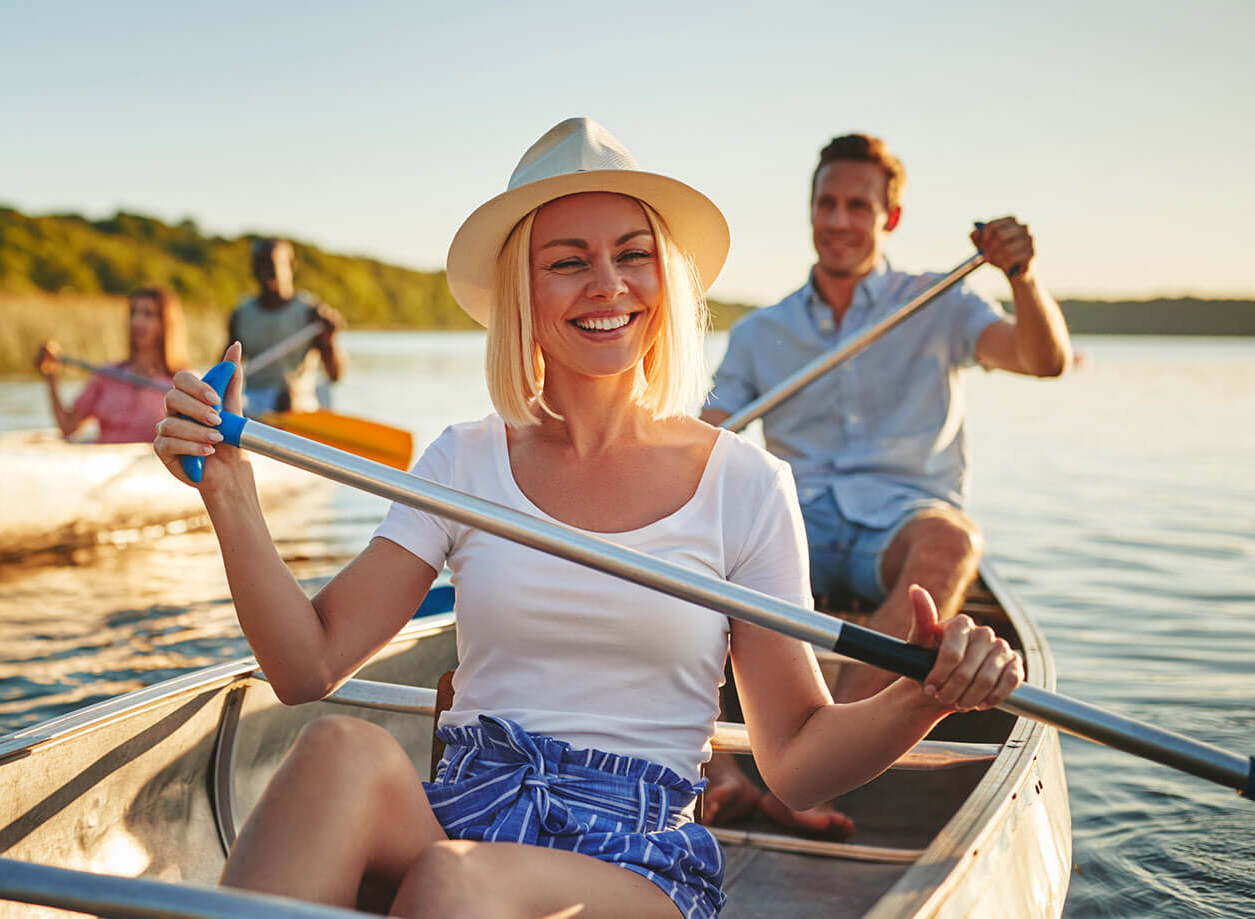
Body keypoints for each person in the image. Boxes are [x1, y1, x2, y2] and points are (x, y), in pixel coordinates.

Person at [154, 118, 1024, 919]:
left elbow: (794, 757)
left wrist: (922, 700)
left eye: (631, 254)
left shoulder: (747, 483)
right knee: (339, 748)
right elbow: (307, 665)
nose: (606, 285)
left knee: (457, 881)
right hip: (469, 806)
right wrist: (229, 491)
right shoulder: (464, 460)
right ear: (523, 290)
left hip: (634, 858)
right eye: (568, 260)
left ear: (665, 276)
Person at [697, 134, 1070, 834]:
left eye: (858, 206)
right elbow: (707, 438)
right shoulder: (761, 331)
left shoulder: (939, 303)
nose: (839, 220)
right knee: (698, 533)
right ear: (811, 211)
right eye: (827, 203)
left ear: (888, 218)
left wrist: (1021, 276)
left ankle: (815, 759)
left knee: (954, 540)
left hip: (899, 524)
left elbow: (1041, 359)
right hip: (796, 520)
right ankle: (719, 771)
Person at [35, 286, 188, 443]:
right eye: (133, 313)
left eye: (148, 314)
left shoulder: (184, 382)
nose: (136, 321)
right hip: (104, 463)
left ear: (166, 323)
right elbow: (68, 426)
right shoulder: (106, 374)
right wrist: (51, 377)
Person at [228, 237, 346, 415]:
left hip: (299, 403)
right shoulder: (241, 314)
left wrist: (330, 340)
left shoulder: (311, 312)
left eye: (271, 264)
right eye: (258, 264)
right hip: (253, 402)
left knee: (286, 398)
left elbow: (335, 375)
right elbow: (225, 369)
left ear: (290, 266)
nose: (264, 271)